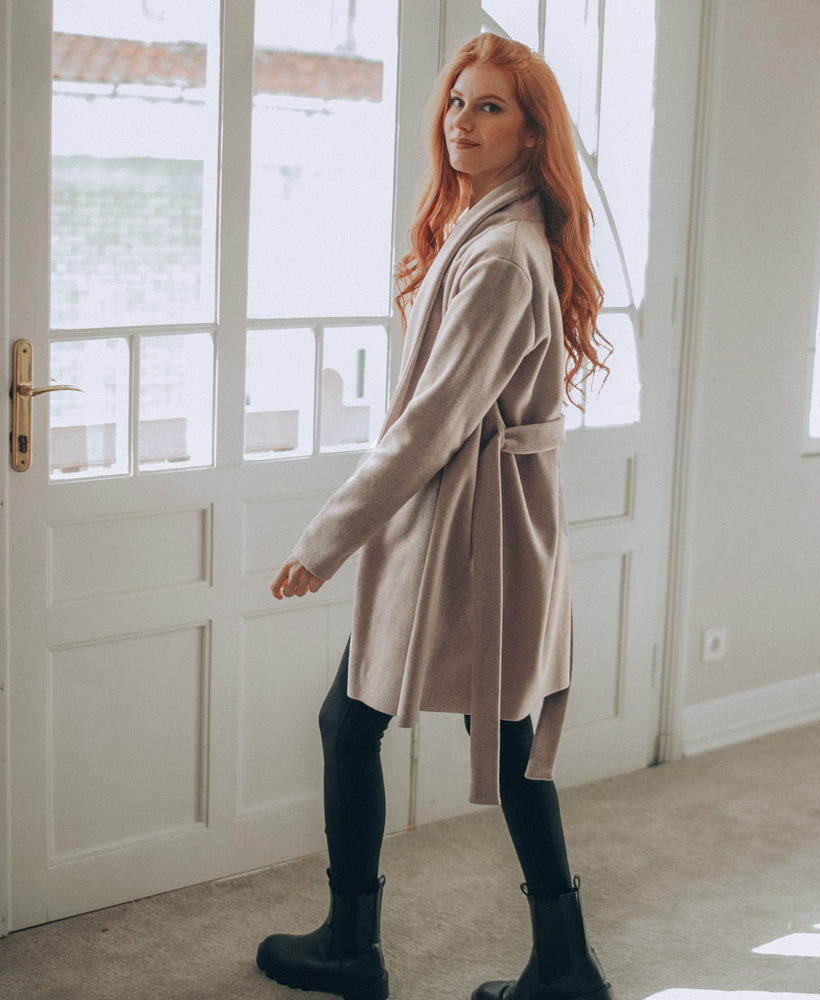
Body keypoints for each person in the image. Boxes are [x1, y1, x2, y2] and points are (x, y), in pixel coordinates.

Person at [256, 32, 614, 1000]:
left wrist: (325, 540)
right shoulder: (490, 228)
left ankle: (360, 947)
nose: (463, 120)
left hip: (472, 530)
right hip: (475, 522)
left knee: (405, 730)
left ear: (533, 132)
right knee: (447, 734)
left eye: (491, 105)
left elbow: (431, 424)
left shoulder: (500, 252)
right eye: (458, 101)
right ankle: (558, 963)